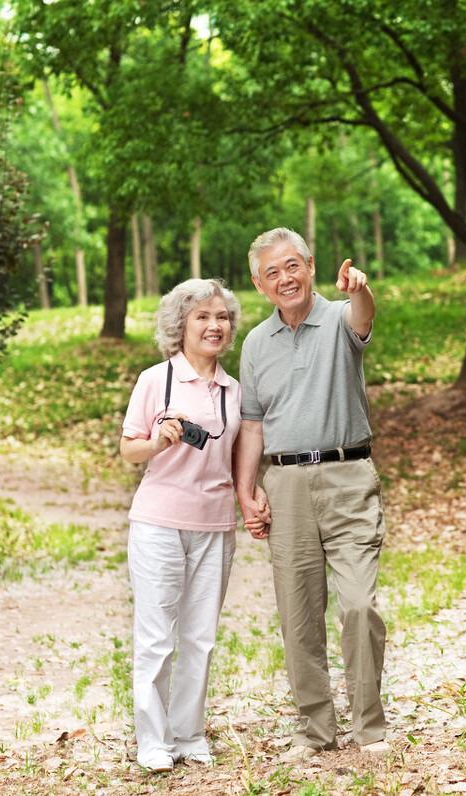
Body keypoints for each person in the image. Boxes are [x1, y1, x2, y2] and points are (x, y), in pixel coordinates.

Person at [234, 227, 389, 762]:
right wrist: (246, 489)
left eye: (292, 265)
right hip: (287, 484)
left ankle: (369, 727)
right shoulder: (255, 344)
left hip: (348, 477)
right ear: (260, 283)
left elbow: (363, 316)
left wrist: (359, 289)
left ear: (311, 265)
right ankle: (316, 728)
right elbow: (252, 425)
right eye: (272, 272)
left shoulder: (341, 318)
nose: (285, 278)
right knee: (298, 614)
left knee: (359, 605)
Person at [119, 278, 243, 772]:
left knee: (200, 637)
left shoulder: (235, 390)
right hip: (159, 523)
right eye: (202, 317)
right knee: (156, 637)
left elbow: (239, 456)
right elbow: (130, 448)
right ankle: (152, 741)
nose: (215, 326)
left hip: (216, 525)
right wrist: (157, 443)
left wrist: (250, 500)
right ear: (181, 325)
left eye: (222, 317)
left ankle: (188, 734)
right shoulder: (156, 380)